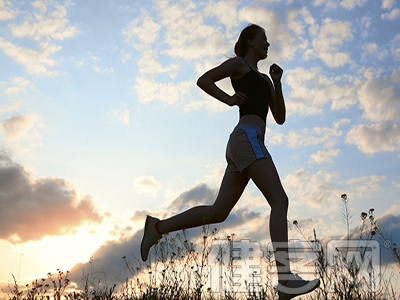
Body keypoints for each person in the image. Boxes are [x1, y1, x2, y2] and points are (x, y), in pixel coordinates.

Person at [140, 24, 320, 299]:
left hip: (244, 142)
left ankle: (157, 227)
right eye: (263, 38)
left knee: (219, 211)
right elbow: (205, 79)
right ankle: (285, 278)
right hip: (247, 138)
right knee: (280, 201)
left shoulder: (263, 79)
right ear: (249, 41)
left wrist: (278, 83)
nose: (267, 43)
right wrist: (229, 99)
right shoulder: (239, 65)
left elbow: (280, 117)